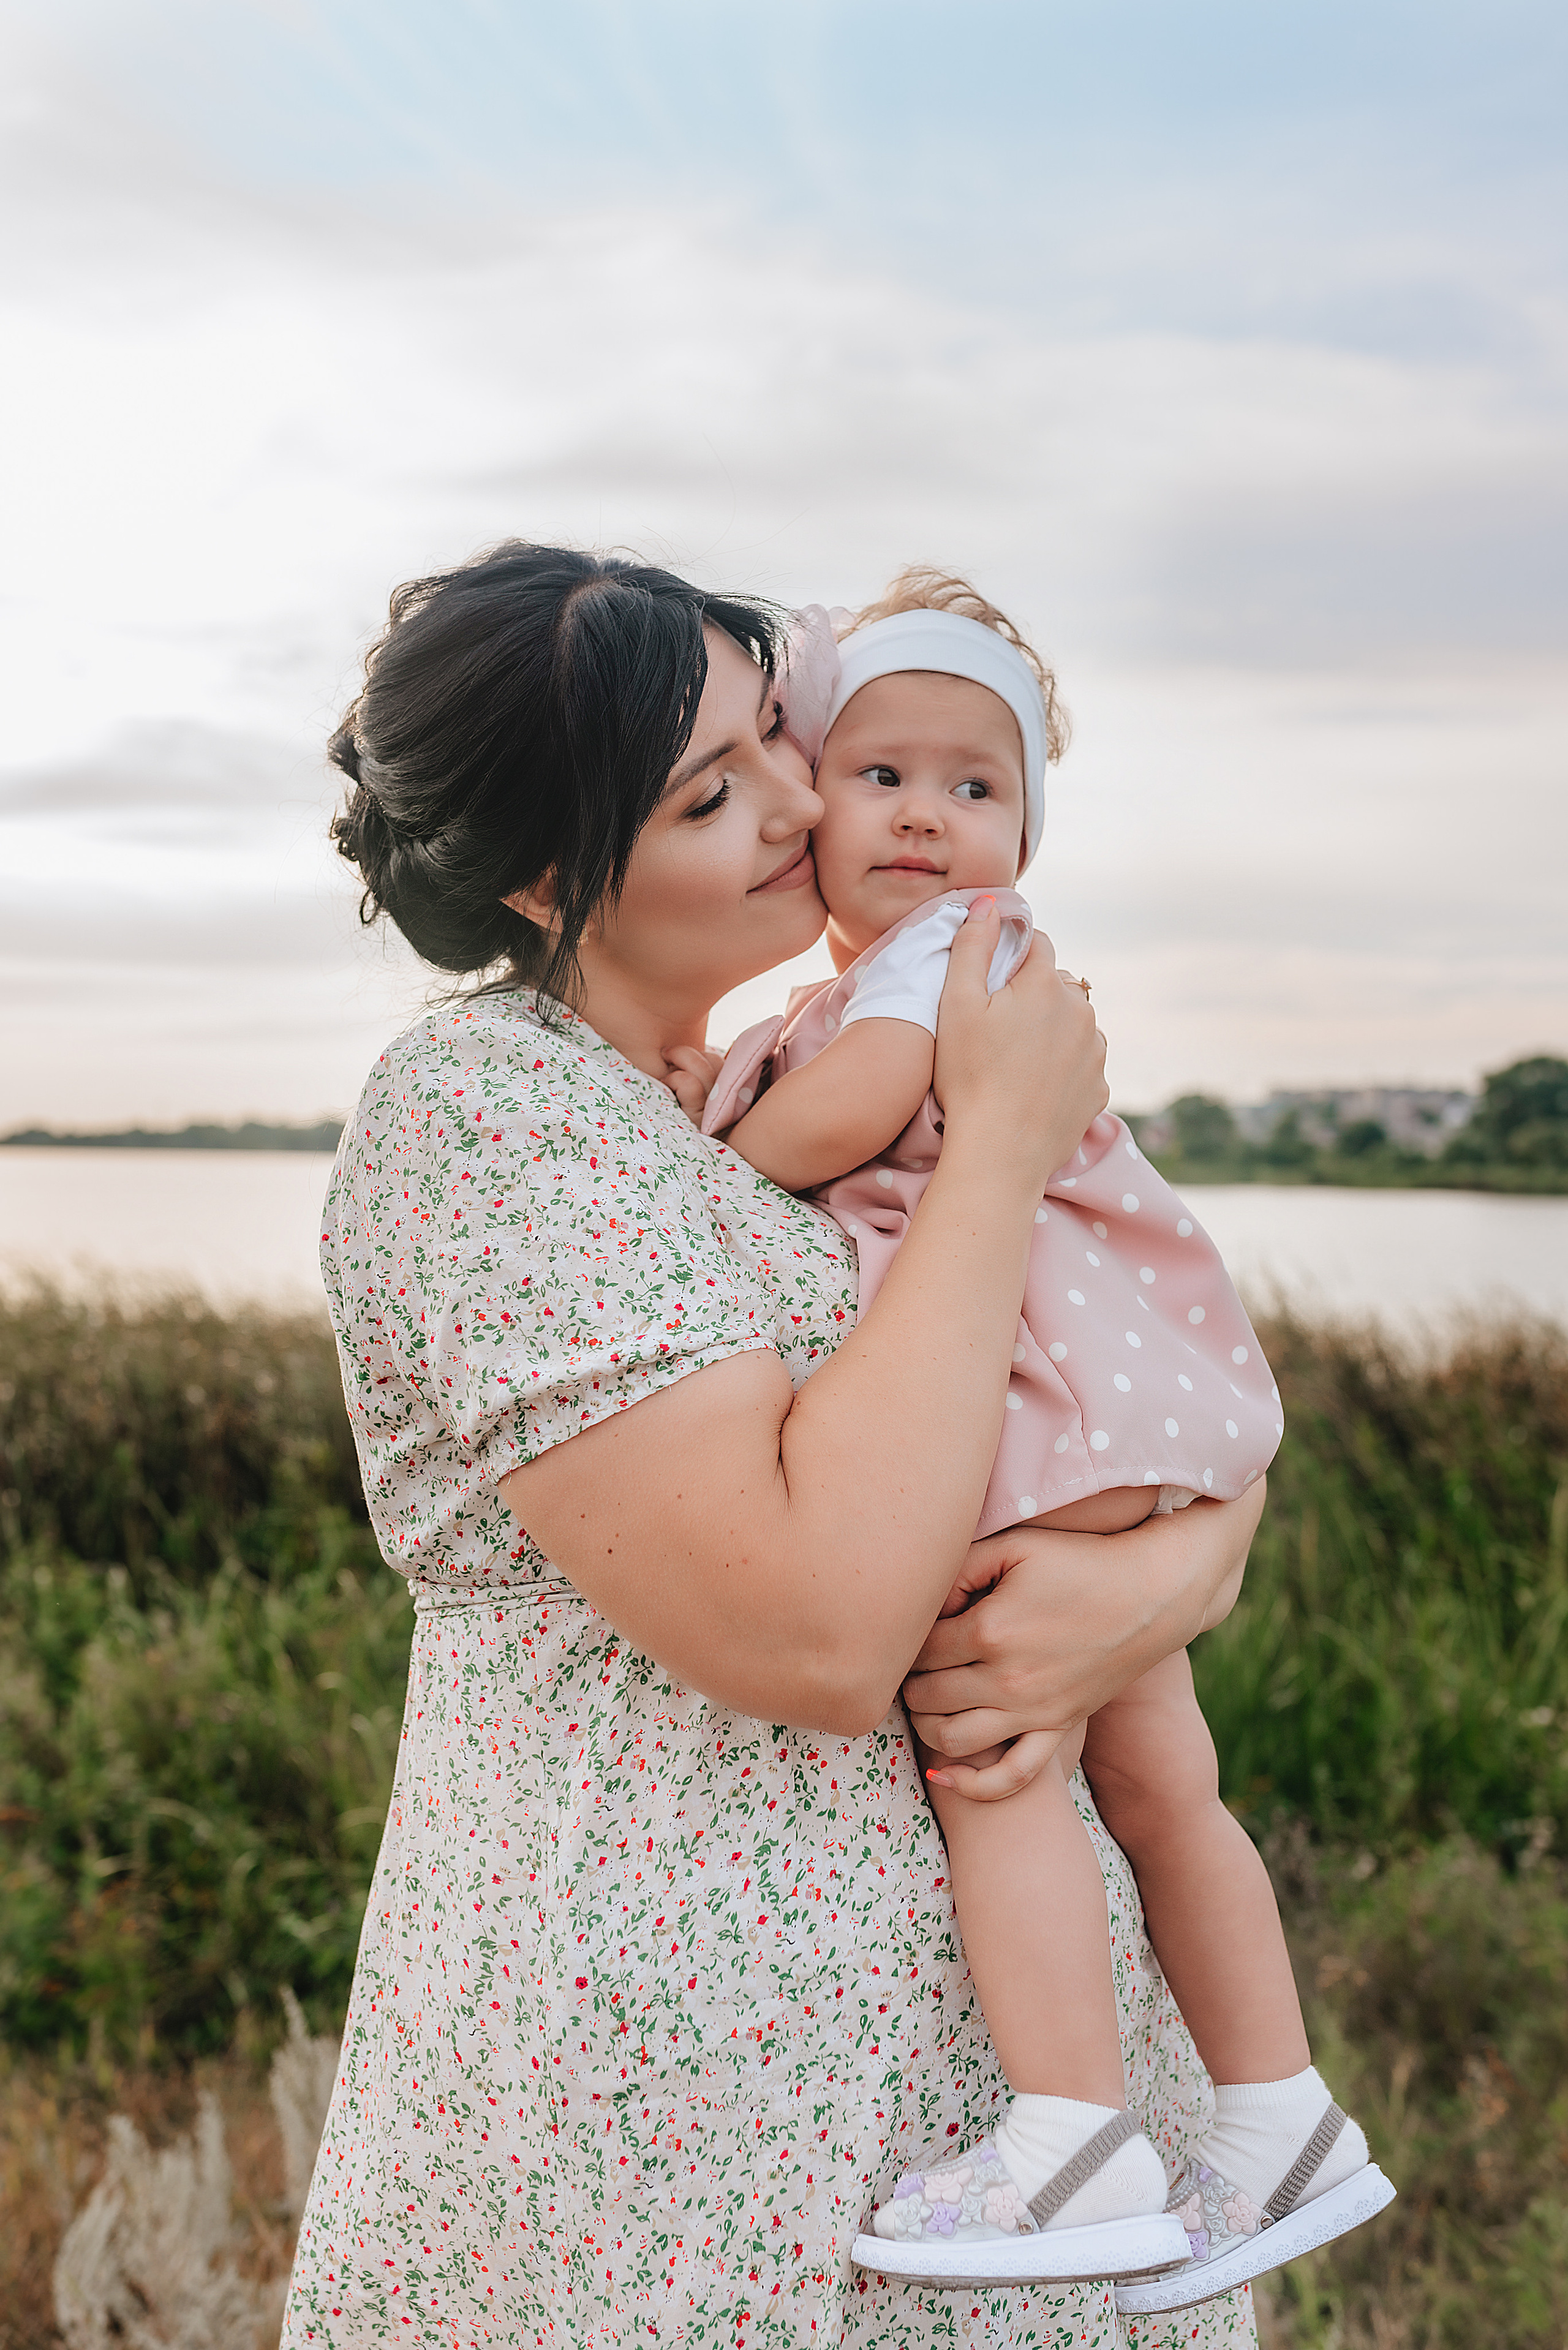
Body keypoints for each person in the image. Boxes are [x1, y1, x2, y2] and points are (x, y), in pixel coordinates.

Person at [282, 539, 1272, 2350]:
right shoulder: (492, 1114)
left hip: (1002, 2081)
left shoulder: (775, 1090)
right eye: (711, 789)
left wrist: (1166, 1574)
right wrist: (994, 1137)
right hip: (686, 2092)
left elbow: (1125, 1377)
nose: (802, 801)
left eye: (776, 742)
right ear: (542, 875)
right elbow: (815, 1637)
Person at [693, 574, 1392, 2310]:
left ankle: (1069, 2141)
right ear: (811, 801)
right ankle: (1277, 2114)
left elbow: (844, 1123)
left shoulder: (937, 967)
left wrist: (711, 1144)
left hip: (1040, 1415)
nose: (928, 813)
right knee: (1161, 1780)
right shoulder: (945, 970)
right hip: (1117, 1410)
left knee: (996, 1759)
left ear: (1024, 828)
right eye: (882, 776)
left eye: (975, 786)